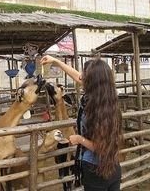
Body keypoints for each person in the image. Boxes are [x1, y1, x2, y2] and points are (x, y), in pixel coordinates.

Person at [40, 55, 122, 191]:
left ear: (92, 80)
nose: (80, 76)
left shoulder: (95, 108)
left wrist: (79, 139)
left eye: (85, 73)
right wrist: (56, 61)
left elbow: (101, 147)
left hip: (95, 171)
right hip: (113, 166)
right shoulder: (108, 99)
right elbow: (77, 76)